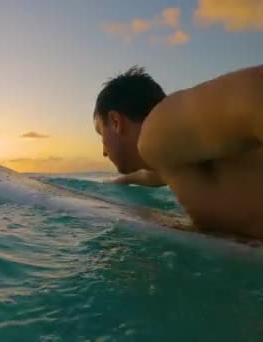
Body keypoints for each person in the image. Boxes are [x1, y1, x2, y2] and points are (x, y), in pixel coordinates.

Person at [93, 64, 263, 239]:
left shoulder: (156, 129)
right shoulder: (172, 159)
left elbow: (256, 87)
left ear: (115, 121)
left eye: (101, 133)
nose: (104, 152)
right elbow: (149, 176)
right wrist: (122, 180)